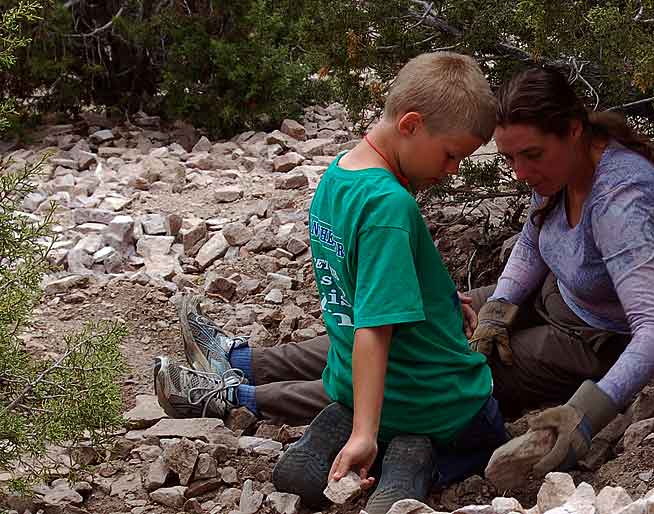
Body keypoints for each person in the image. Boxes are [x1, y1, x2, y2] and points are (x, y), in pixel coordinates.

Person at [150, 52, 509, 514]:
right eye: (452, 154)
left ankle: (343, 426)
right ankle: (415, 460)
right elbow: (374, 329)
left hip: (348, 385)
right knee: (488, 424)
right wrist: (366, 433)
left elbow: (359, 283)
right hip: (437, 401)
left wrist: (441, 297)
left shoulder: (338, 176)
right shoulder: (389, 207)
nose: (453, 169)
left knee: (372, 410)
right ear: (412, 124)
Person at [470, 65, 654, 477]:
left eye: (531, 155)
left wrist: (588, 413)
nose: (521, 173)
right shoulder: (559, 167)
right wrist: (499, 309)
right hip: (559, 288)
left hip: (596, 336)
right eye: (509, 158)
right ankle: (338, 360)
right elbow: (531, 242)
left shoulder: (619, 203)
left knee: (445, 369)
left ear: (572, 130)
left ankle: (335, 404)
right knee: (430, 313)